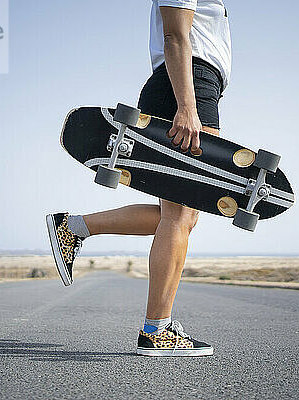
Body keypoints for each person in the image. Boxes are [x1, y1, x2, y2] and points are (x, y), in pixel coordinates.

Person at [46, 0, 231, 357]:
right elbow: (175, 36)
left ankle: (73, 227)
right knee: (181, 215)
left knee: (181, 215)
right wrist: (188, 107)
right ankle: (157, 330)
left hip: (195, 85)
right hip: (187, 84)